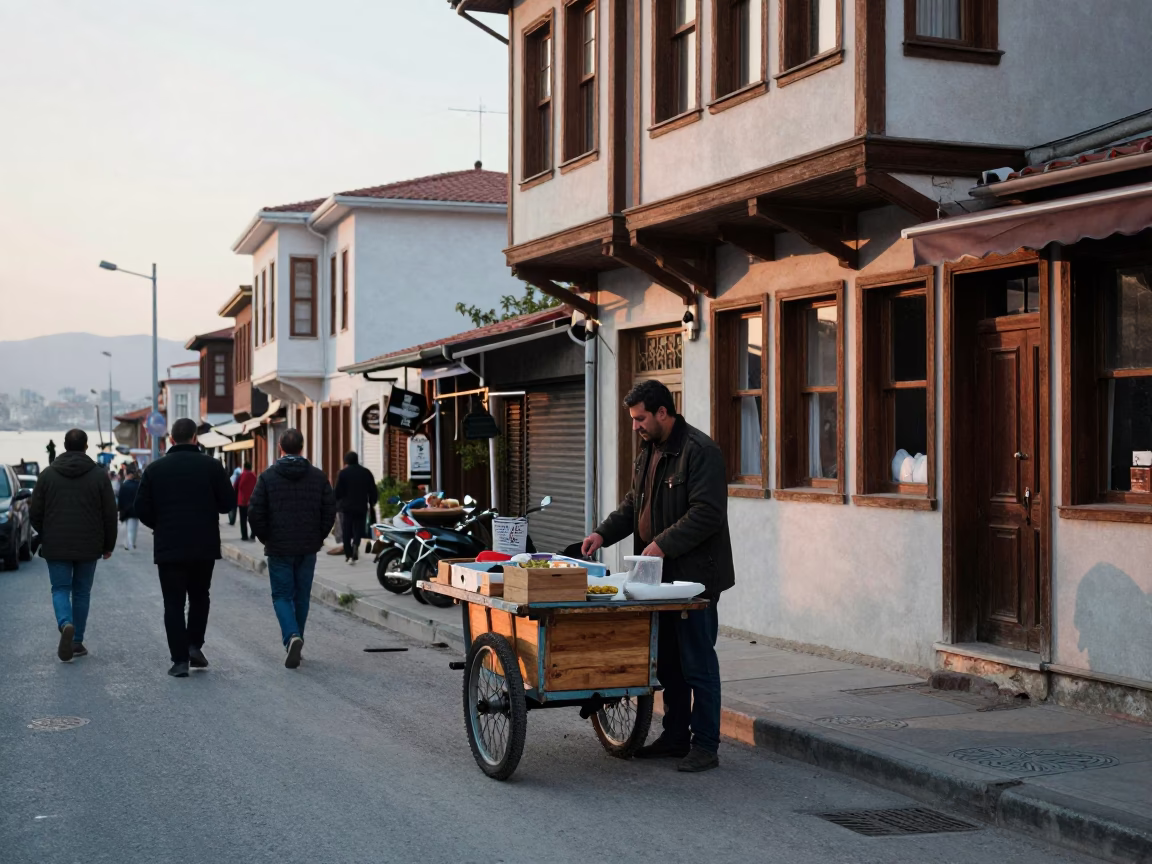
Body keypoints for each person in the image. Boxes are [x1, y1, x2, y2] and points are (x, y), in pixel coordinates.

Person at [581, 380, 734, 773]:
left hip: (695, 581)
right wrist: (602, 533)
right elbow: (635, 504)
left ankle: (706, 745)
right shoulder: (648, 451)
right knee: (666, 663)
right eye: (633, 420)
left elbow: (707, 513)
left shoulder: (701, 452)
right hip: (656, 580)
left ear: (663, 413)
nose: (635, 427)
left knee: (697, 663)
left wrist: (662, 544)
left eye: (640, 418)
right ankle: (675, 737)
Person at [135, 417, 234, 678]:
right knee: (200, 597)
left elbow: (141, 508)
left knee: (173, 603)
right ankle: (194, 646)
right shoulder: (212, 466)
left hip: (169, 545)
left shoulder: (155, 470)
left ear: (170, 439)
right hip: (204, 545)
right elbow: (227, 504)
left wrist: (160, 524)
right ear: (195, 438)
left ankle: (179, 661)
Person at [247, 428, 336, 669]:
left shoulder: (267, 477)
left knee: (282, 596)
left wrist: (266, 537)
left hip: (279, 547)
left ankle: (291, 637)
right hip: (307, 546)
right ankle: (297, 637)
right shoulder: (318, 477)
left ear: (280, 448)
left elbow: (254, 512)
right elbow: (330, 510)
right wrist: (319, 537)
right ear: (302, 447)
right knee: (302, 596)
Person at [29, 429, 117, 662]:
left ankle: (65, 623)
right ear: (86, 446)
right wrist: (109, 545)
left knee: (60, 589)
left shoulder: (47, 475)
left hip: (56, 544)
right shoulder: (99, 476)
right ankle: (76, 641)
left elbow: (35, 512)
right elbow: (110, 513)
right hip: (89, 545)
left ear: (65, 446)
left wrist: (46, 531)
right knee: (81, 592)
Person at [333, 451, 376, 564]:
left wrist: (336, 502)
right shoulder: (366, 472)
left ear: (346, 461)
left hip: (346, 507)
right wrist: (372, 503)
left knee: (346, 530)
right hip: (361, 505)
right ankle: (356, 544)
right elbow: (372, 490)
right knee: (358, 528)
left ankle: (349, 554)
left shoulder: (343, 473)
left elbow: (338, 492)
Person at [118, 464, 142, 551]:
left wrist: (120, 509)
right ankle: (130, 544)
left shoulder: (124, 485)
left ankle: (128, 544)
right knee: (133, 528)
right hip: (135, 510)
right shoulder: (138, 485)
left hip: (125, 510)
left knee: (126, 527)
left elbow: (120, 498)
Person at [235, 461, 257, 541]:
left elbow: (236, 486)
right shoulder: (254, 476)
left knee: (243, 519)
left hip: (242, 501)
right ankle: (253, 535)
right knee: (253, 519)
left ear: (244, 467)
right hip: (252, 501)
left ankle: (244, 536)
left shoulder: (242, 475)